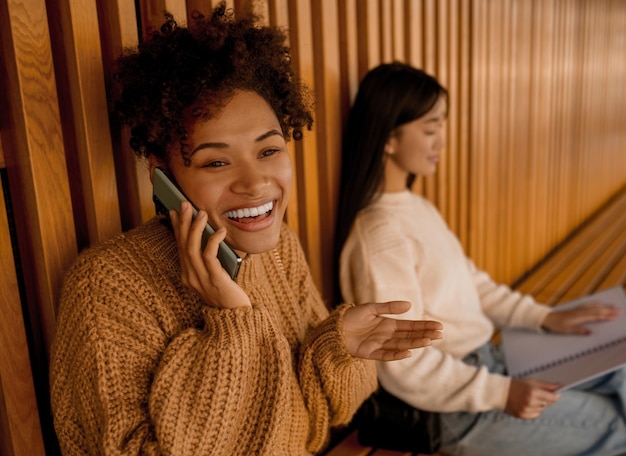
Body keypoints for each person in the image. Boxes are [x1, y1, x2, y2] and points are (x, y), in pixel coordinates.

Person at [49, 9, 444, 456]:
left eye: (269, 150)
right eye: (216, 162)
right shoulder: (106, 286)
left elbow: (315, 426)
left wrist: (333, 348)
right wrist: (232, 322)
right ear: (165, 175)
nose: (255, 182)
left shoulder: (278, 248)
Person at [335, 62, 626, 456]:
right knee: (615, 426)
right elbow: (404, 365)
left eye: (443, 125)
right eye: (430, 127)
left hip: (495, 362)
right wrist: (501, 392)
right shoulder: (380, 236)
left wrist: (543, 317)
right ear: (388, 138)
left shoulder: (415, 208)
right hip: (459, 405)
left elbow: (472, 282)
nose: (441, 140)